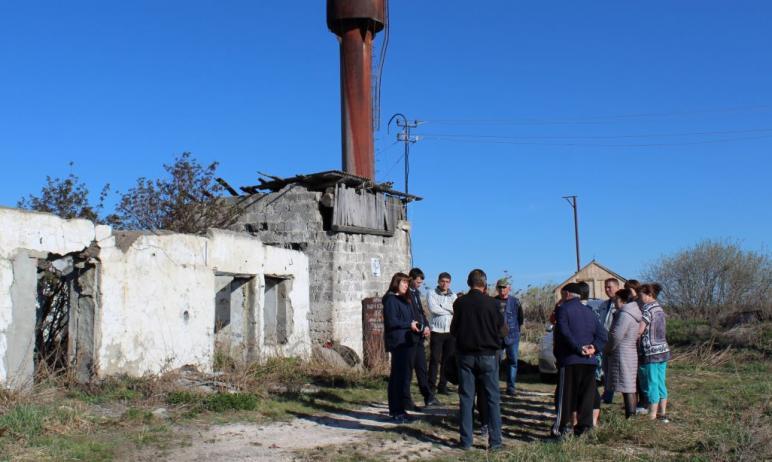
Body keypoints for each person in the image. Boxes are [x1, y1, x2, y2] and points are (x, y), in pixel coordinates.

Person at [450, 269, 505, 450]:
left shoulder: (460, 303)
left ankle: (466, 441)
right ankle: (495, 442)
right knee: (492, 398)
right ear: (484, 283)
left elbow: (453, 330)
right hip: (488, 355)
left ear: (468, 282)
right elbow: (503, 330)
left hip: (466, 355)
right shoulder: (493, 304)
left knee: (466, 398)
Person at [552, 282, 607, 437]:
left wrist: (579, 348)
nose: (561, 297)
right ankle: (584, 428)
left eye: (562, 294)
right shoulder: (589, 312)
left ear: (568, 294)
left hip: (570, 360)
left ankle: (561, 428)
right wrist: (593, 348)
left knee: (565, 396)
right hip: (589, 362)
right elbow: (603, 335)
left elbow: (564, 332)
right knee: (586, 397)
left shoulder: (563, 310)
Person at [382, 272, 419, 423]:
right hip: (397, 342)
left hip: (406, 341)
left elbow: (409, 318)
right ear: (396, 283)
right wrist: (408, 324)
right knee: (397, 377)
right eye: (403, 283)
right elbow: (392, 321)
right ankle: (396, 410)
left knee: (404, 376)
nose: (406, 285)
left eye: (407, 283)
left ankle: (401, 409)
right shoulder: (391, 299)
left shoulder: (404, 300)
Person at [405, 268, 440, 409]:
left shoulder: (416, 293)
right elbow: (410, 314)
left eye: (421, 282)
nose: (419, 284)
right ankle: (406, 400)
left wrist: (426, 325)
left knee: (421, 368)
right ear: (411, 279)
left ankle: (428, 396)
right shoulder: (406, 294)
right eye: (417, 282)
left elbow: (421, 312)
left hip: (419, 336)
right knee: (408, 370)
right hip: (410, 337)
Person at [604, 288, 642, 418]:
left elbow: (616, 335)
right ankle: (631, 415)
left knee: (627, 387)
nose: (614, 303)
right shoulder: (632, 313)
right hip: (629, 350)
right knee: (629, 385)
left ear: (622, 300)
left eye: (616, 300)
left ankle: (630, 416)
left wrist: (607, 349)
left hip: (622, 352)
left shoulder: (625, 315)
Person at [638, 283, 671, 423]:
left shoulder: (647, 309)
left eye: (641, 296)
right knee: (661, 382)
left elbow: (640, 330)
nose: (640, 299)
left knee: (652, 382)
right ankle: (663, 413)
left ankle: (652, 415)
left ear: (649, 295)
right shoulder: (660, 308)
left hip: (651, 351)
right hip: (663, 349)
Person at [427, 272, 457, 395]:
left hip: (450, 332)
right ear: (438, 281)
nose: (445, 284)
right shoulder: (431, 293)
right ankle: (431, 385)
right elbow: (433, 309)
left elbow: (456, 309)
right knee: (434, 359)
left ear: (450, 282)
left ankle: (442, 386)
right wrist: (449, 310)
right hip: (436, 331)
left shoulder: (453, 295)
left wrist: (444, 306)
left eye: (447, 281)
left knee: (447, 360)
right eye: (443, 281)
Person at [494, 276, 523, 396]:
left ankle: (511, 387)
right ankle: (494, 386)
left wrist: (516, 332)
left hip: (513, 337)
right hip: (497, 338)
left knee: (513, 361)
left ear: (509, 288)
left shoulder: (515, 302)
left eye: (504, 287)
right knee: (495, 363)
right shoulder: (493, 301)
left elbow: (520, 319)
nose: (502, 290)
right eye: (499, 287)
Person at [624, 279, 648, 413]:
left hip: (639, 343)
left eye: (629, 290)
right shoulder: (630, 302)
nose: (628, 293)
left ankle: (644, 402)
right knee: (633, 375)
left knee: (641, 375)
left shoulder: (640, 303)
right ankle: (636, 401)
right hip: (632, 343)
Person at [598, 278, 620, 403]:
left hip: (617, 342)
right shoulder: (603, 305)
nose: (607, 290)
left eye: (609, 287)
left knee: (618, 370)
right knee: (606, 370)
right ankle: (608, 395)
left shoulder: (622, 304)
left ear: (617, 287)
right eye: (605, 287)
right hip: (605, 342)